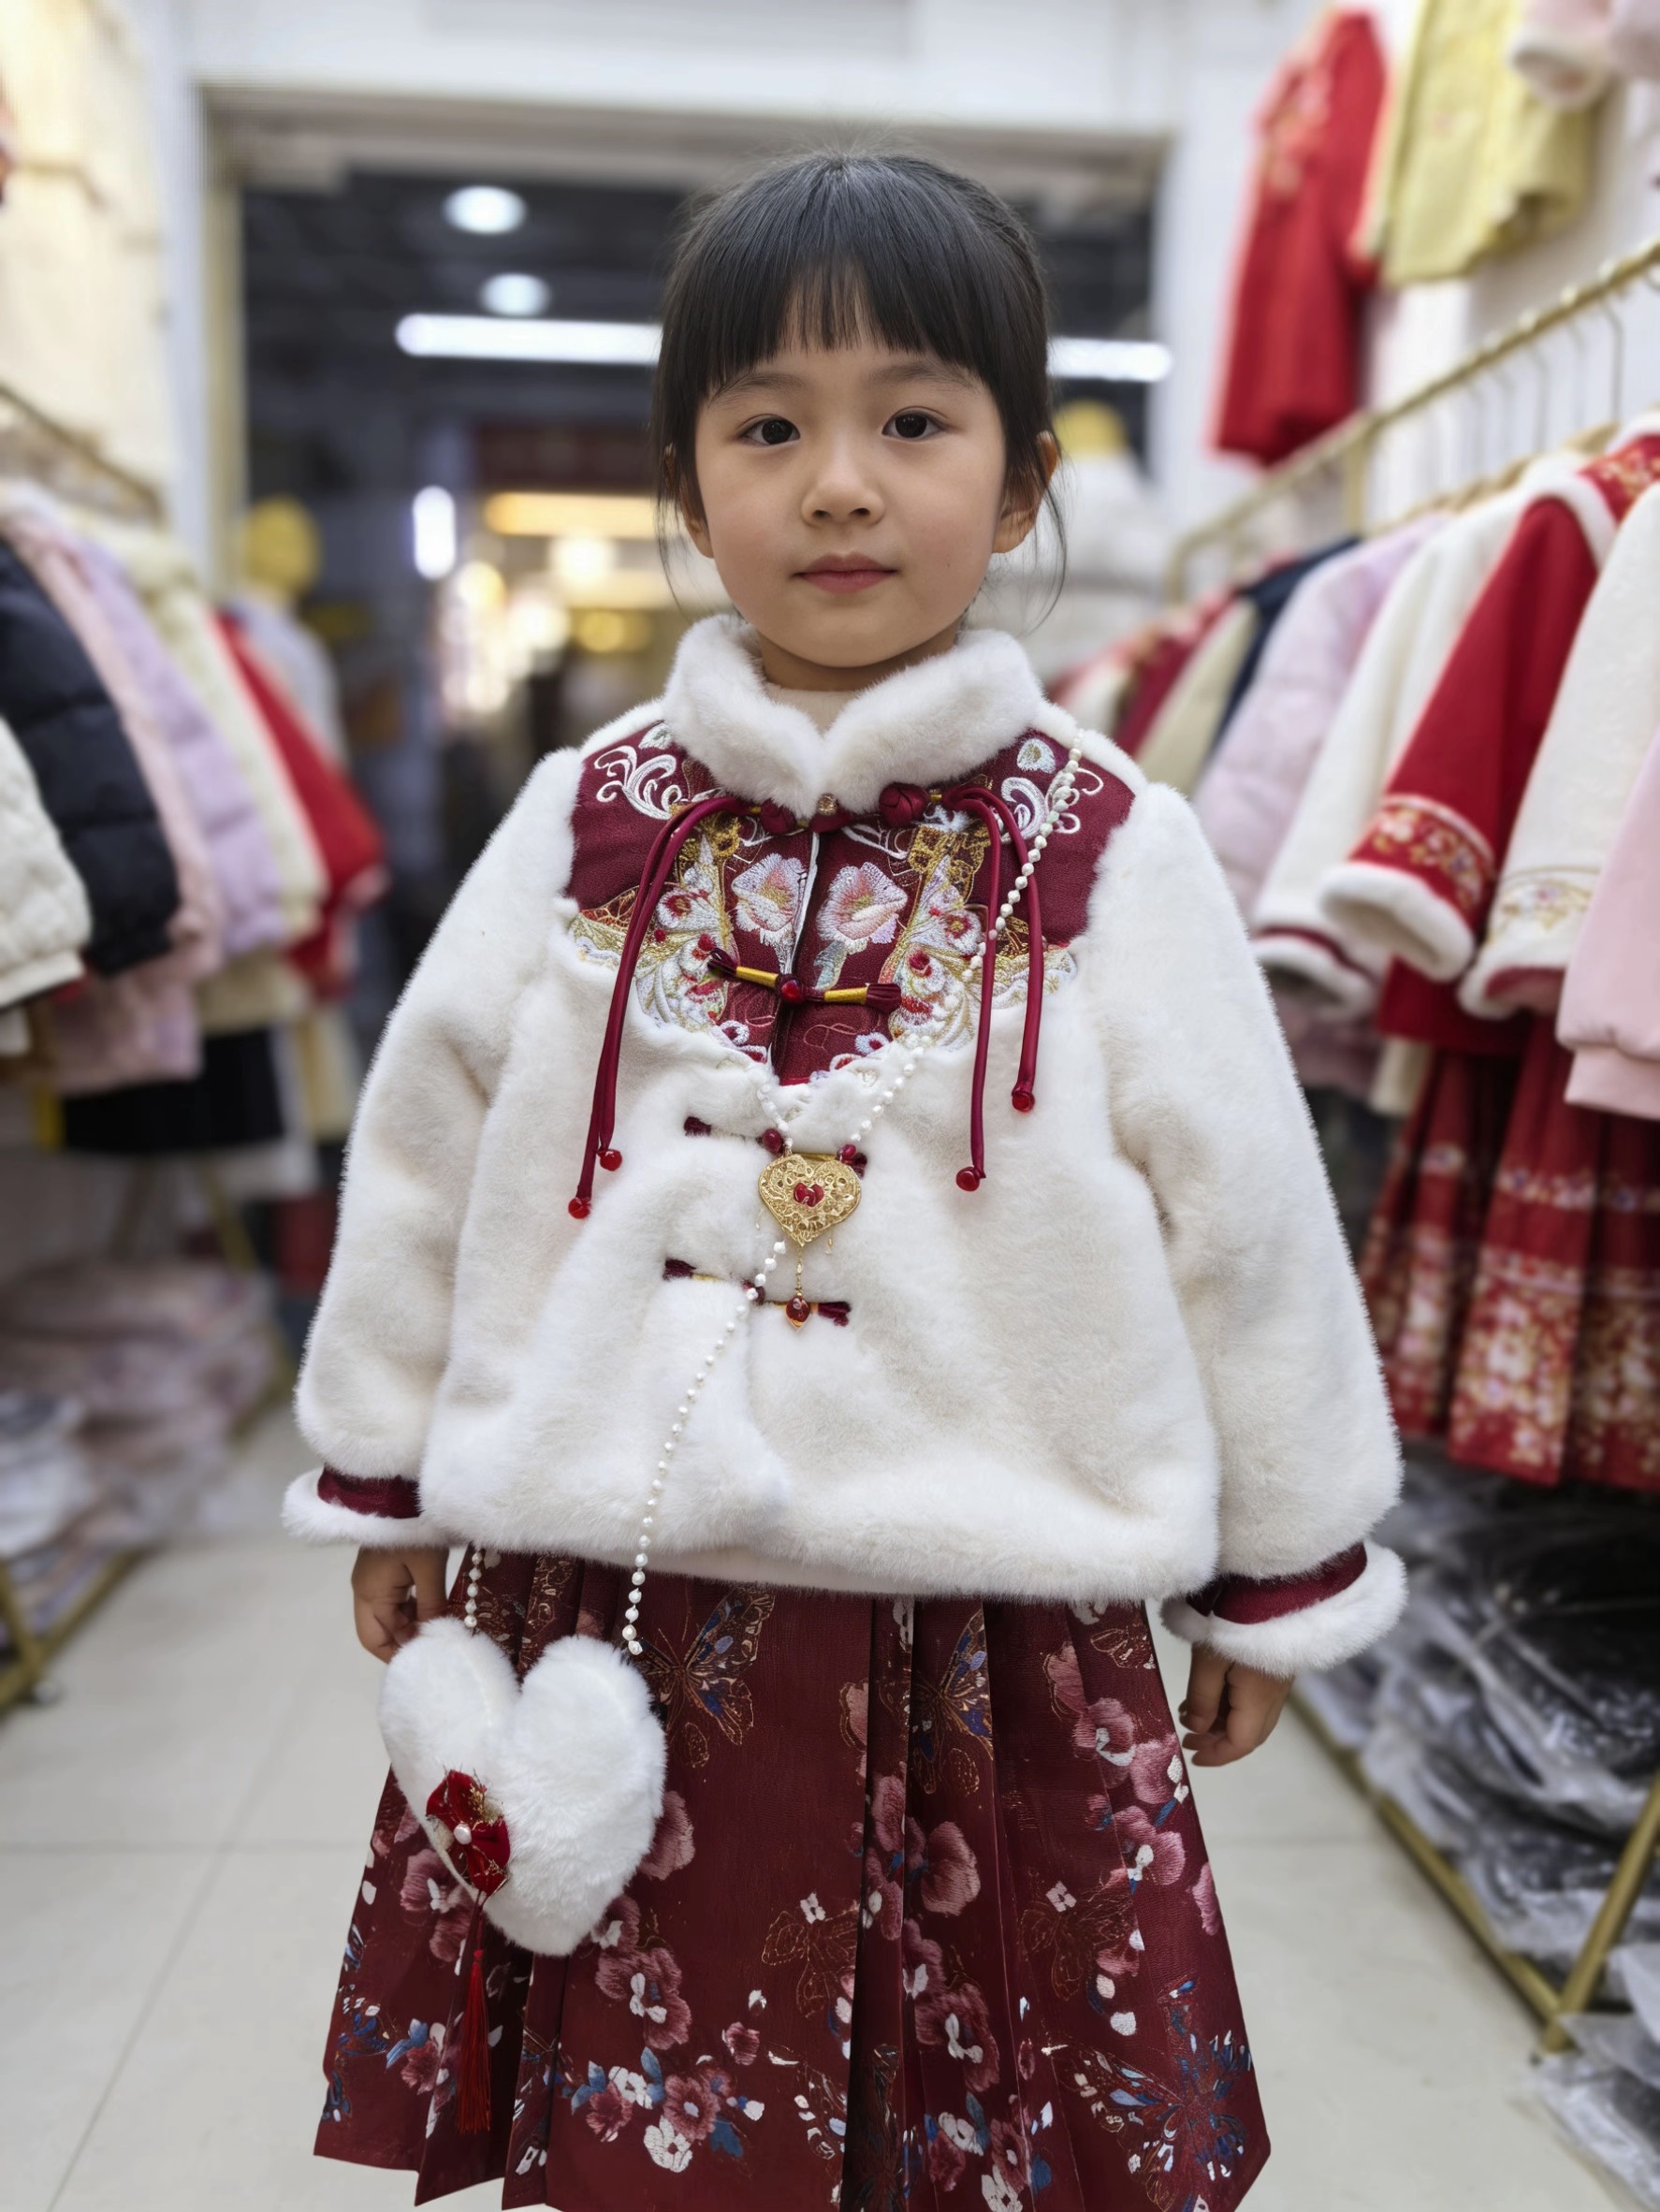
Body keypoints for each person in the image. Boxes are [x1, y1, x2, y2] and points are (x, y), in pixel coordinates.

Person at [284, 150, 1405, 2211]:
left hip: (990, 1599)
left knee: (985, 2120)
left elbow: (1244, 1216)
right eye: (765, 427)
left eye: (911, 419)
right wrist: (381, 1465)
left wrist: (1279, 1560)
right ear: (682, 480)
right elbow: (427, 1142)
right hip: (617, 1587)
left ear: (1023, 473)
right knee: (647, 2111)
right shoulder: (586, 815)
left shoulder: (1110, 843)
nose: (836, 484)